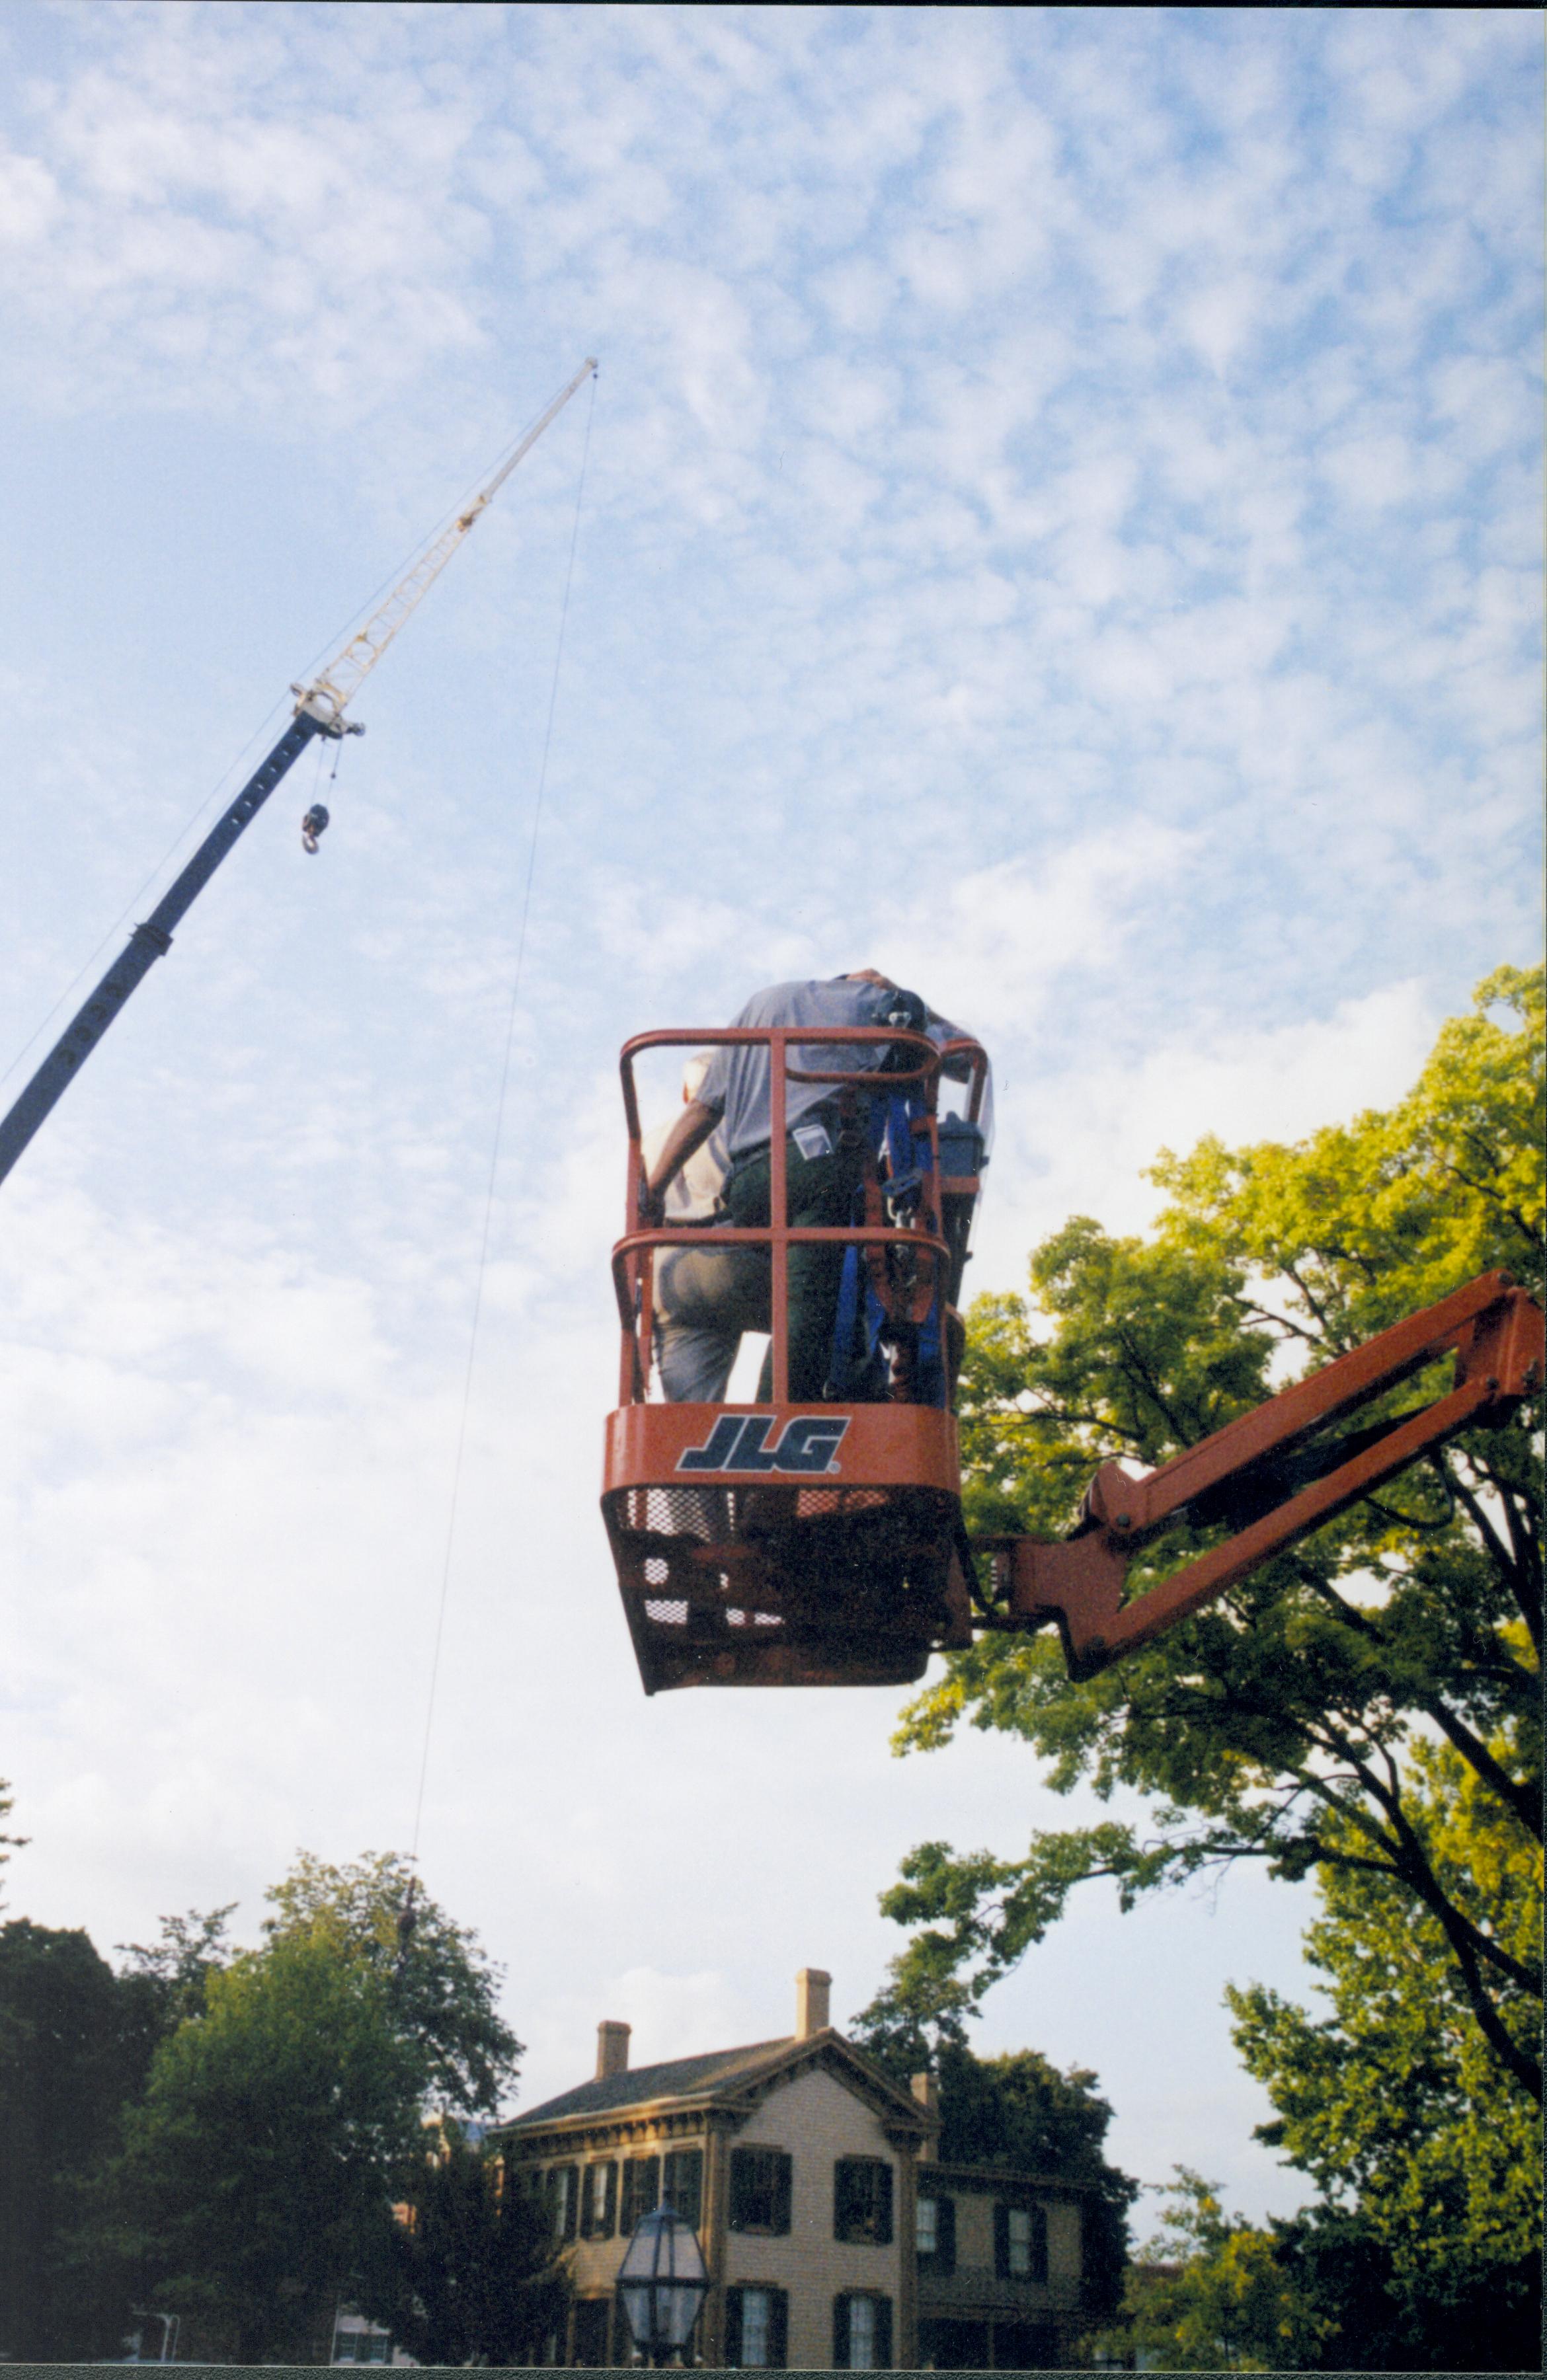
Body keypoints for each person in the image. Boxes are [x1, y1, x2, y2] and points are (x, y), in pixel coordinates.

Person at [645, 971, 969, 1402]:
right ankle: (789, 1415)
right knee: (830, 1298)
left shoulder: (750, 1018)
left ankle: (699, 1460)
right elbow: (961, 1054)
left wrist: (649, 1194)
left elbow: (703, 1110)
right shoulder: (865, 1004)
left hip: (676, 1277)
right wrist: (895, 994)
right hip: (769, 1220)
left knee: (688, 1428)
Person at [641, 1055, 765, 1402]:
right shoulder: (747, 1125)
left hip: (670, 1276)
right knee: (822, 1307)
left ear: (685, 1092)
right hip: (735, 1256)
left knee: (691, 1422)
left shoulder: (649, 1140)